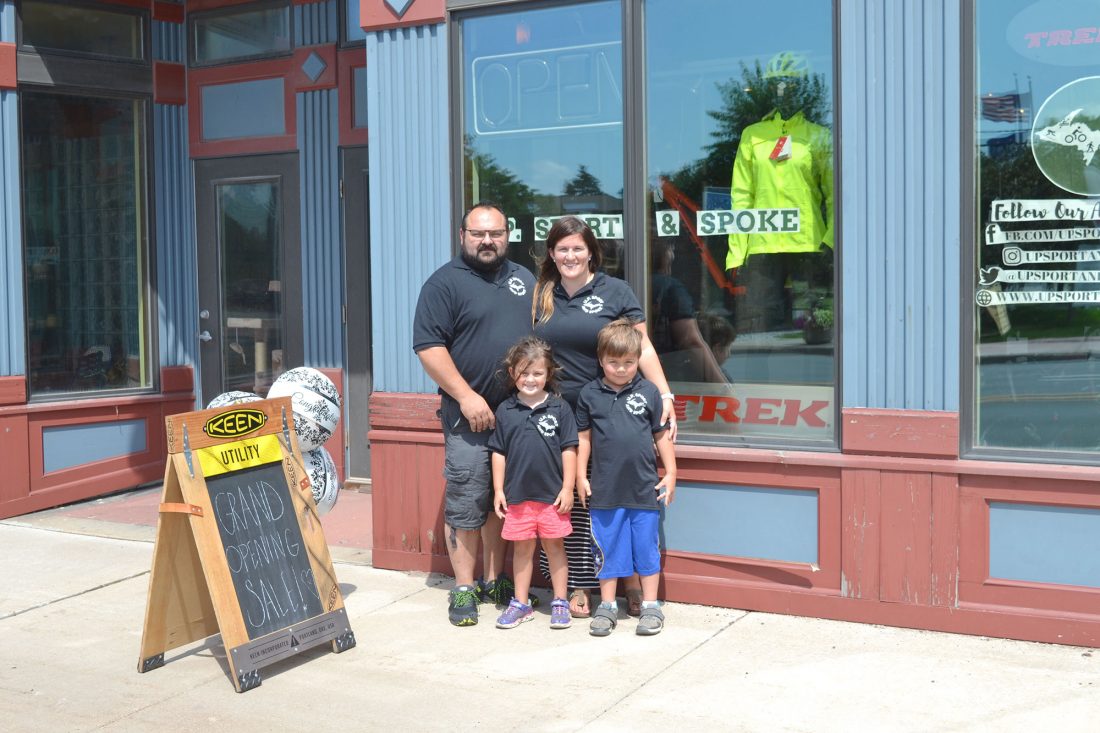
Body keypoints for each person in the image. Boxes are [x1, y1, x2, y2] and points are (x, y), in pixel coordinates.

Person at [531, 216, 677, 619]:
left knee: (618, 502)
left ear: (591, 252)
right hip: (558, 416)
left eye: (578, 248)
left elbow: (642, 347)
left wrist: (663, 394)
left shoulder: (615, 291)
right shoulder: (542, 293)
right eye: (563, 249)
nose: (570, 256)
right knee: (577, 504)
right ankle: (581, 584)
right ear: (551, 253)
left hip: (611, 413)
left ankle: (631, 583)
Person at [412, 201, 535, 627]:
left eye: (495, 233)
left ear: (507, 236)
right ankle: (463, 588)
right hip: (468, 418)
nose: (487, 241)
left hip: (518, 418)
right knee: (468, 500)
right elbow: (429, 348)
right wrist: (466, 396)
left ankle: (493, 579)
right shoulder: (443, 284)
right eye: (478, 233)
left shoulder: (524, 280)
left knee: (500, 503)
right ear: (462, 235)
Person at [575, 320, 676, 637]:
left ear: (638, 360)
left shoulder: (648, 392)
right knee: (608, 548)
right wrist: (579, 476)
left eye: (629, 362)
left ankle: (651, 606)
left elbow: (661, 436)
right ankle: (607, 606)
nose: (621, 369)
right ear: (601, 359)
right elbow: (584, 440)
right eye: (613, 362)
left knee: (646, 548)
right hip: (605, 490)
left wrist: (671, 472)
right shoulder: (589, 394)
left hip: (643, 488)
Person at [488, 337, 577, 630]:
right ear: (512, 372)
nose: (530, 379)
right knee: (522, 551)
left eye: (537, 373)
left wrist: (568, 487)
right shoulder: (506, 410)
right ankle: (521, 603)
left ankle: (560, 601)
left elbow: (569, 449)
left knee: (555, 548)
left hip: (552, 498)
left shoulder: (560, 408)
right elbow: (498, 452)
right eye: (524, 372)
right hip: (518, 497)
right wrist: (498, 490)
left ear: (548, 374)